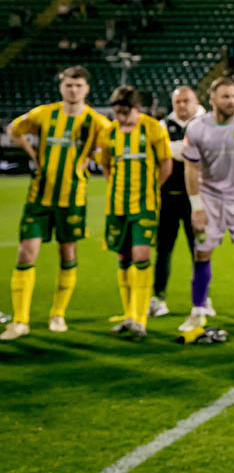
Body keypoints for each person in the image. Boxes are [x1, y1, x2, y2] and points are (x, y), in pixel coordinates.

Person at [2, 66, 109, 341]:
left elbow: (108, 148)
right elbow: (13, 129)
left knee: (68, 254)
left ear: (87, 89)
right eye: (68, 85)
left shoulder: (96, 121)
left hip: (73, 198)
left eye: (78, 85)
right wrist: (30, 152)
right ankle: (20, 321)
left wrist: (90, 160)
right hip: (39, 197)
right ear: (61, 87)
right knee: (26, 254)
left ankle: (58, 314)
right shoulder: (44, 114)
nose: (73, 90)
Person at [179, 77, 234, 332]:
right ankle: (197, 311)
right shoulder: (196, 128)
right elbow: (191, 171)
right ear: (213, 99)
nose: (231, 101)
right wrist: (196, 207)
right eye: (226, 96)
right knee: (202, 252)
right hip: (209, 197)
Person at [96, 86, 172, 338]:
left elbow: (166, 165)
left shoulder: (152, 128)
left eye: (125, 112)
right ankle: (128, 316)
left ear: (136, 108)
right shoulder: (108, 132)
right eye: (117, 112)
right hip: (116, 207)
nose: (120, 117)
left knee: (141, 255)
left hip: (145, 206)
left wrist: (151, 188)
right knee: (123, 258)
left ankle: (140, 319)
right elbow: (106, 165)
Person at [150, 85, 207, 318]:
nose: (182, 106)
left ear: (195, 101)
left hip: (200, 200)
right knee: (163, 249)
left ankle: (202, 299)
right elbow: (162, 154)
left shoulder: (208, 121)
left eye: (186, 101)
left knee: (201, 250)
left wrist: (175, 150)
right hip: (168, 199)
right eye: (177, 102)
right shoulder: (163, 125)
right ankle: (158, 298)